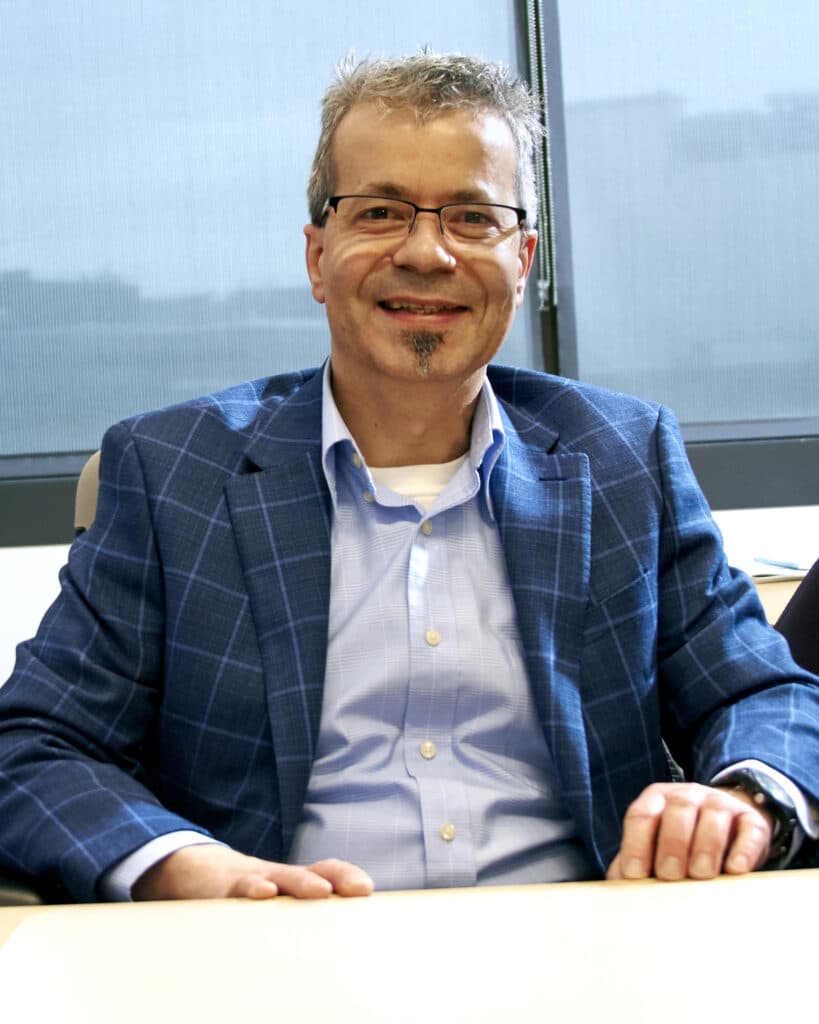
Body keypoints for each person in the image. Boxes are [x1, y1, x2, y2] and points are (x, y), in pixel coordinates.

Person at [1, 54, 817, 905]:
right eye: (381, 211)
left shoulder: (621, 454)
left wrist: (744, 798)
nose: (427, 253)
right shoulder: (174, 472)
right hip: (271, 950)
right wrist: (178, 863)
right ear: (318, 257)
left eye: (472, 217)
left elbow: (764, 691)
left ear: (523, 258)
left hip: (588, 947)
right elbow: (33, 742)